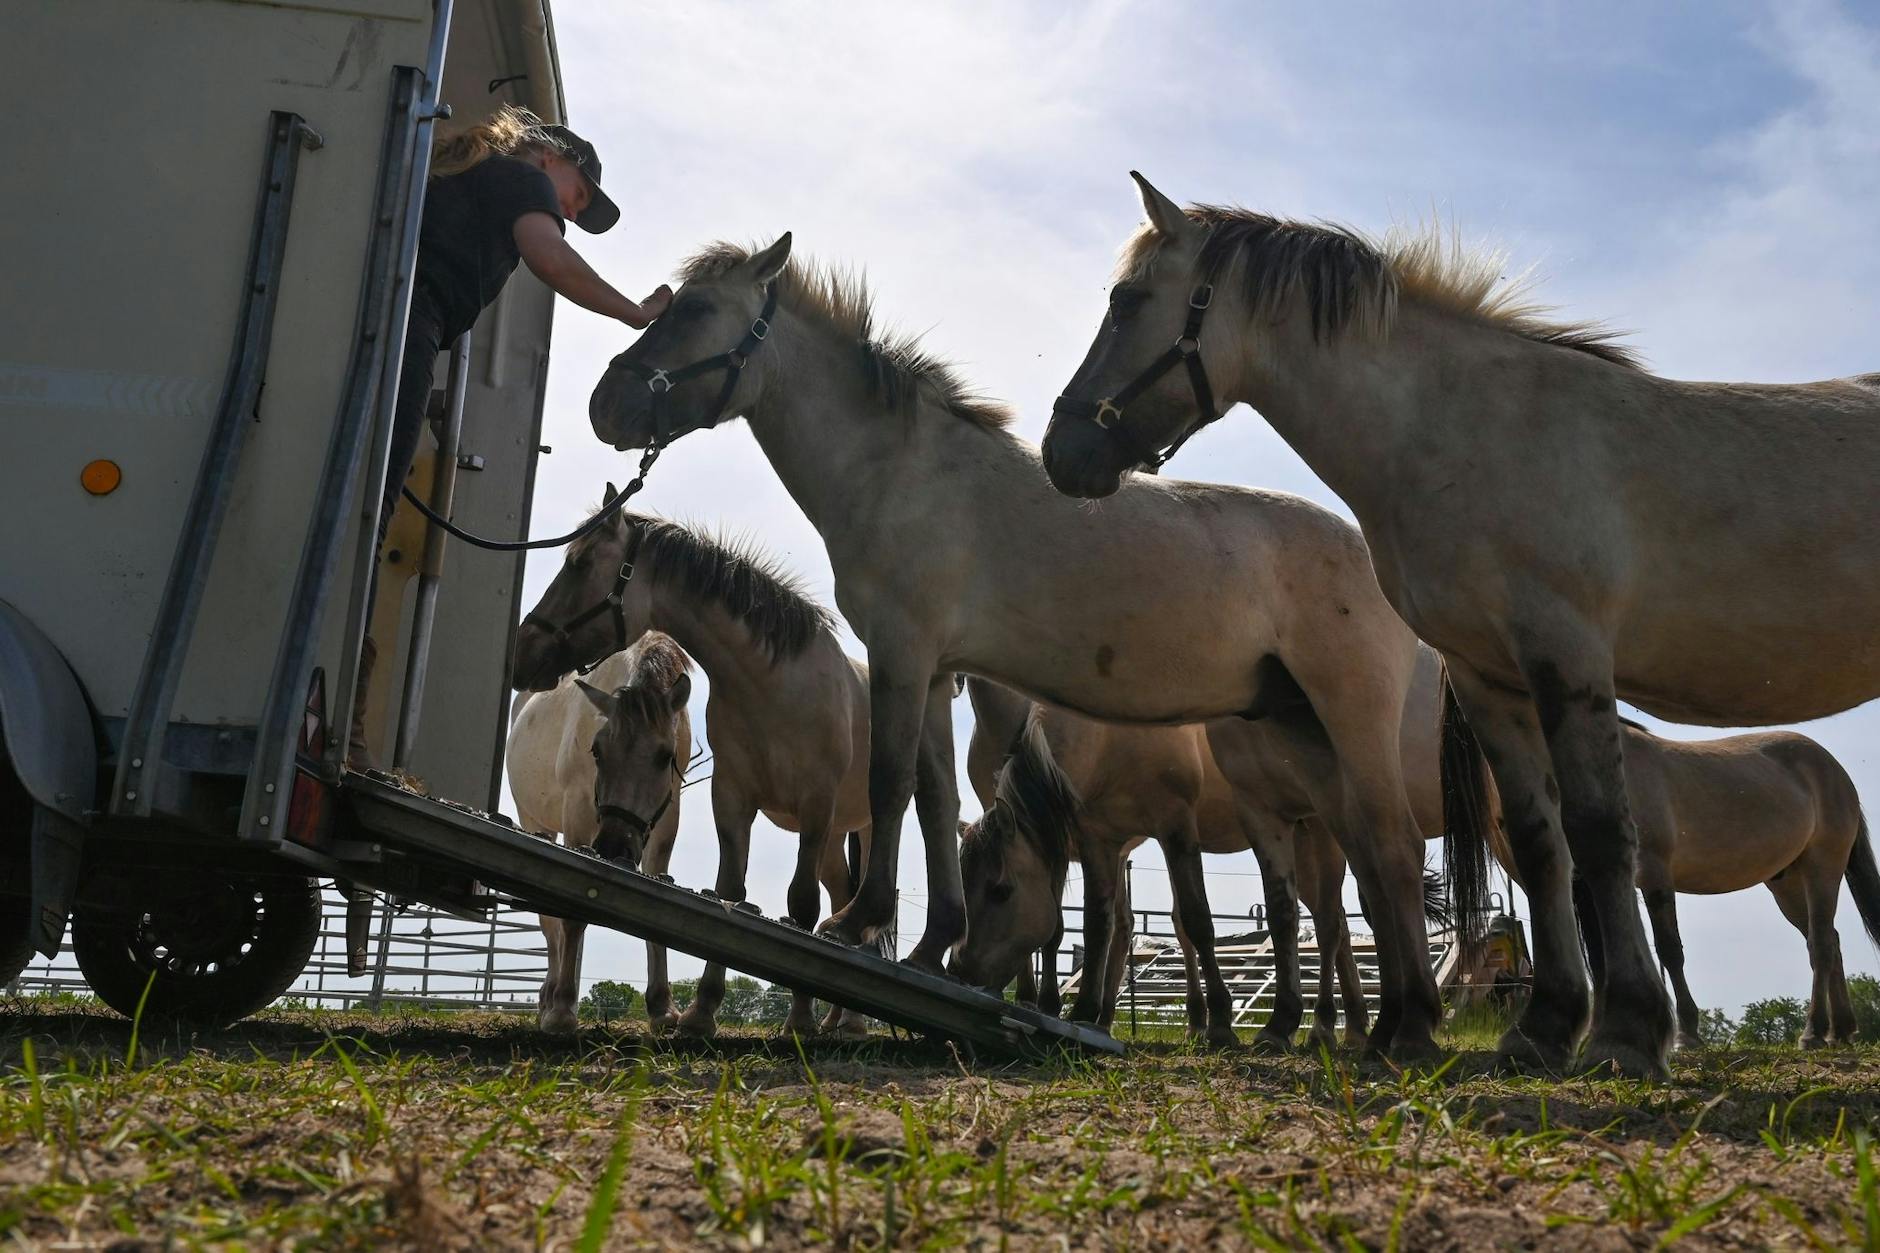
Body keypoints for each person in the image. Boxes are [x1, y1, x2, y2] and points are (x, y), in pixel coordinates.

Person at [349, 105, 669, 768]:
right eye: (578, 198)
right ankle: (341, 700)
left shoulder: (479, 179)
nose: (572, 214)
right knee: (368, 518)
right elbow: (553, 262)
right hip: (416, 319)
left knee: (369, 507)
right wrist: (635, 313)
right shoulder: (523, 180)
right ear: (553, 160)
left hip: (416, 324)